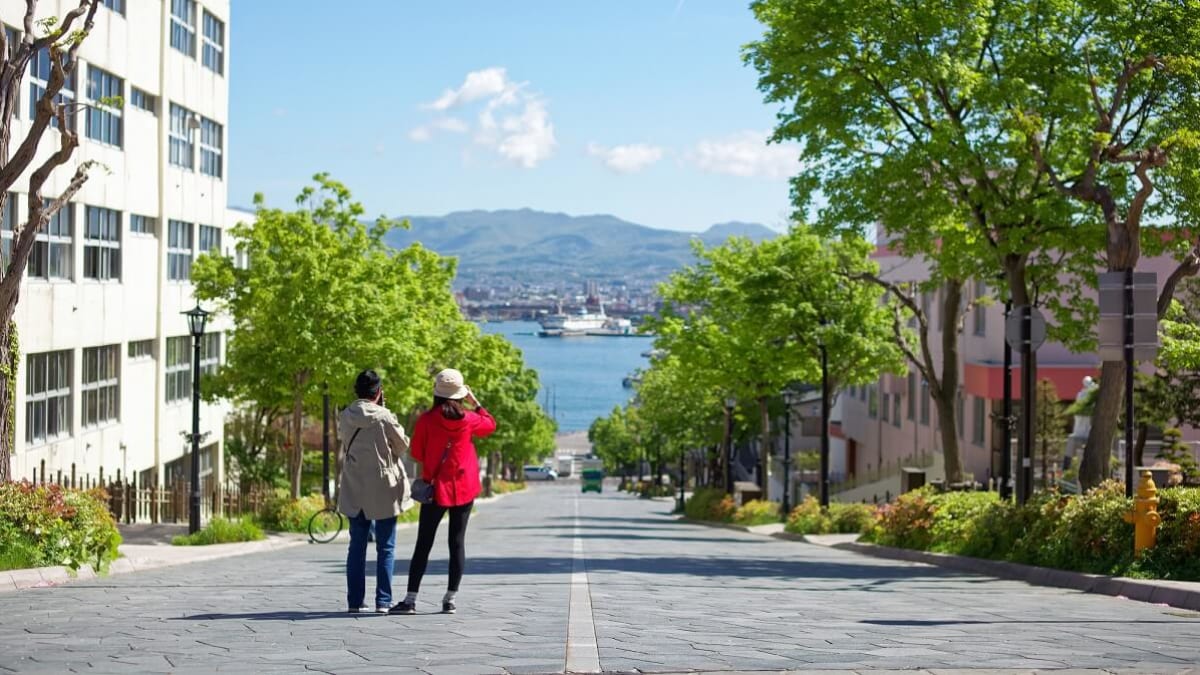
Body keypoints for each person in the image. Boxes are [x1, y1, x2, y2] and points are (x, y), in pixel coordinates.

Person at [390, 368, 496, 615]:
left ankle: (410, 599)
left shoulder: (427, 420)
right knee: (456, 543)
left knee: (423, 543)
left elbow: (416, 453)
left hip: (435, 488)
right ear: (461, 393)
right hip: (464, 487)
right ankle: (450, 598)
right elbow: (491, 424)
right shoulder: (469, 419)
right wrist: (475, 402)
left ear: (437, 393)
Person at [338, 369, 413, 613]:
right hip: (382, 487)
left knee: (356, 545)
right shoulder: (384, 416)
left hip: (353, 484)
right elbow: (401, 446)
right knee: (386, 546)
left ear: (357, 392)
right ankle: (383, 600)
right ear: (379, 392)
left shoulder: (345, 415)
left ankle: (355, 601)